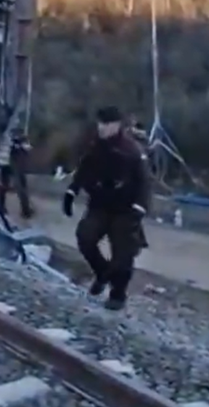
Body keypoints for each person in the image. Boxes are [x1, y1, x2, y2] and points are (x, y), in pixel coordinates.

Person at [62, 106, 151, 311]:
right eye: (100, 123)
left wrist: (140, 207)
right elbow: (84, 169)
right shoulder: (95, 146)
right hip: (99, 204)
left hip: (125, 208)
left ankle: (118, 294)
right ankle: (102, 273)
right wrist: (72, 191)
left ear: (117, 125)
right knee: (85, 237)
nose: (101, 127)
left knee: (123, 254)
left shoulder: (132, 150)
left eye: (106, 124)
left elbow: (144, 181)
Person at [0, 128, 34, 220]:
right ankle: (25, 210)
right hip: (13, 156)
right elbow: (20, 141)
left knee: (3, 183)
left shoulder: (0, 126)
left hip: (2, 157)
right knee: (20, 183)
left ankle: (0, 206)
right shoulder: (14, 126)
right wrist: (22, 144)